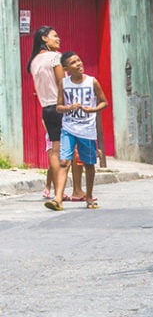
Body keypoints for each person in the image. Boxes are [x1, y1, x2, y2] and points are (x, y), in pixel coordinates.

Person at [27, 26, 85, 201]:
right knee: (74, 148)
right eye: (55, 36)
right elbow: (63, 83)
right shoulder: (55, 57)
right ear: (44, 38)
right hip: (62, 107)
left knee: (54, 150)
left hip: (47, 109)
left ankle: (57, 191)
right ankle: (76, 190)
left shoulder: (34, 61)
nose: (58, 39)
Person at [46, 51, 108, 211]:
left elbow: (104, 102)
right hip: (68, 128)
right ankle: (58, 198)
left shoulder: (92, 82)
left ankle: (88, 196)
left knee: (88, 164)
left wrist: (93, 109)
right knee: (64, 162)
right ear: (66, 68)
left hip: (87, 129)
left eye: (79, 60)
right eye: (73, 63)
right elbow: (59, 107)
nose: (78, 64)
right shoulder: (64, 83)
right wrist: (69, 107)